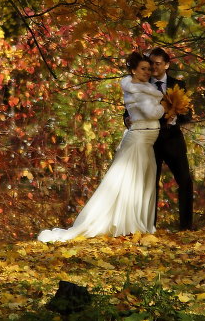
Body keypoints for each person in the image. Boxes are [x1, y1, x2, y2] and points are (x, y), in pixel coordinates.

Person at [37, 52, 175, 243]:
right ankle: (124, 223)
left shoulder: (146, 88)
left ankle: (137, 224)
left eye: (149, 69)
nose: (147, 72)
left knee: (142, 183)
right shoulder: (135, 89)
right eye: (143, 68)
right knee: (128, 183)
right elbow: (150, 113)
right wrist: (165, 107)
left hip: (147, 141)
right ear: (133, 70)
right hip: (138, 140)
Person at [148, 47, 194, 230]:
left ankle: (186, 227)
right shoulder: (143, 85)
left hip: (174, 140)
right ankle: (149, 226)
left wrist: (177, 118)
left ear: (166, 65)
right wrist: (127, 120)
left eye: (157, 64)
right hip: (150, 141)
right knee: (151, 185)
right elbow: (129, 110)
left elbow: (188, 114)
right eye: (151, 63)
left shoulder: (178, 85)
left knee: (185, 181)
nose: (153, 67)